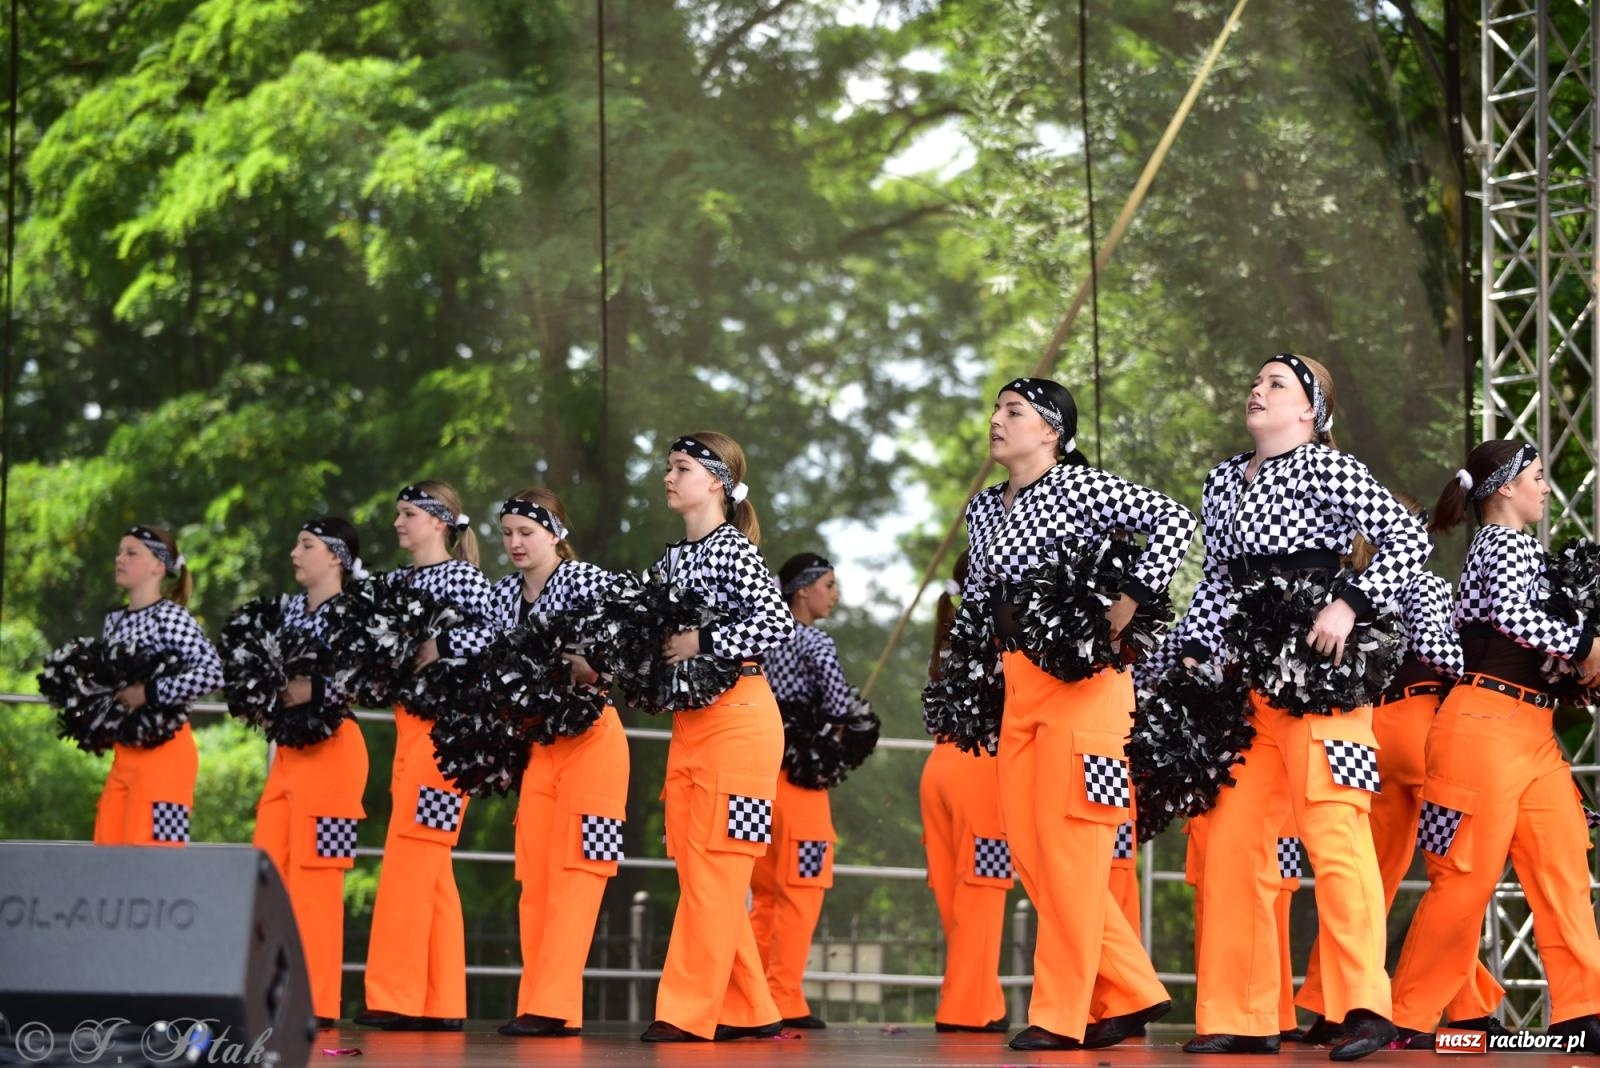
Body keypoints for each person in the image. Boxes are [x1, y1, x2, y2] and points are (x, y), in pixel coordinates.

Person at [1176, 354, 1427, 1060]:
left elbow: (1407, 537)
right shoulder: (1224, 479)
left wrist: (1350, 603)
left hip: (1322, 678)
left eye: (1275, 383)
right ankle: (1242, 1015)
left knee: (1336, 838)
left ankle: (1365, 1008)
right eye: (1253, 380)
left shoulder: (1329, 467)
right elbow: (1219, 584)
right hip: (1248, 686)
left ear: (1310, 411)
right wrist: (1192, 655)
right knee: (1229, 842)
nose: (1257, 388)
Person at [962, 377, 1196, 1051]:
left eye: (1014, 412)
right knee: (1030, 852)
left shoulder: (1082, 486)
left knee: (1070, 853)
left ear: (1052, 431)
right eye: (997, 410)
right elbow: (980, 599)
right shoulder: (984, 509)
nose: (997, 421)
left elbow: (1176, 521)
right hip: (1018, 685)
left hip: (1085, 687)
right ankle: (1132, 986)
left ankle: (1061, 1015)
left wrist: (1130, 599)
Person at [1389, 441, 1600, 1048]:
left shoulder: (1521, 548)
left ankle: (1581, 1010)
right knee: (1465, 879)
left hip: (1530, 733)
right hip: (1481, 726)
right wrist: (1584, 645)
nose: (1545, 487)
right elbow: (1510, 615)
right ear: (1504, 488)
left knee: (1562, 865)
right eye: (1537, 477)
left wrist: (1574, 663)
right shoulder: (1501, 544)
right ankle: (1407, 1016)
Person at [1296, 499, 1503, 1047]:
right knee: (1453, 875)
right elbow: (1441, 653)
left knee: (1366, 880)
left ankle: (1332, 1004)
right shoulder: (1421, 582)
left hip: (1363, 735)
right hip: (1423, 735)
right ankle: (1462, 1010)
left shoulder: (1341, 585)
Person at [639, 433, 795, 1043]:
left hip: (743, 722)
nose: (669, 478)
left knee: (716, 873)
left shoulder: (735, 551)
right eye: (668, 469)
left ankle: (684, 1010)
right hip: (693, 726)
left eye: (681, 468)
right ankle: (751, 1009)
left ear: (717, 482)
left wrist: (700, 642)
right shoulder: (670, 558)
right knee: (699, 868)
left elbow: (775, 623)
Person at [489, 490, 630, 1039]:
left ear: (554, 534)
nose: (515, 542)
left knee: (577, 877)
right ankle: (549, 1007)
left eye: (526, 531)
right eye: (507, 533)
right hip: (540, 747)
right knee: (536, 880)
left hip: (595, 742)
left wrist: (593, 668)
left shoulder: (590, 581)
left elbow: (631, 641)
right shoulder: (502, 595)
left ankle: (548, 1006)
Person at [357, 481, 494, 1033]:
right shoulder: (391, 583)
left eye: (409, 513)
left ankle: (396, 996)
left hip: (447, 738)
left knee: (414, 855)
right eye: (398, 513)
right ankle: (442, 1001)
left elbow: (492, 637)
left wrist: (441, 647)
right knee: (429, 865)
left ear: (440, 522)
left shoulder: (465, 578)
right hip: (405, 730)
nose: (399, 522)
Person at [251, 518, 371, 1027]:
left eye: (307, 545)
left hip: (337, 755)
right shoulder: (285, 613)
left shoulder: (360, 613)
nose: (294, 553)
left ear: (336, 556)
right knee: (265, 872)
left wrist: (317, 691)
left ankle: (318, 1002)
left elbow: (376, 676)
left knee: (319, 883)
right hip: (287, 756)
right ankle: (267, 993)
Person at [750, 552, 862, 1029]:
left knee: (763, 894)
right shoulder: (814, 641)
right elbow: (840, 705)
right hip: (801, 788)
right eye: (829, 585)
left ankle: (749, 995)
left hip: (757, 780)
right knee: (802, 891)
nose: (834, 596)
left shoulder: (760, 636)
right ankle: (785, 998)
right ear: (803, 589)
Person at [919, 552, 1012, 1034]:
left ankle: (982, 998)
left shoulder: (947, 635)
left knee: (955, 895)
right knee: (983, 890)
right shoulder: (995, 626)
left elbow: (930, 713)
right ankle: (965, 1008)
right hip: (981, 772)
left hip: (938, 767)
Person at [94, 525, 223, 847]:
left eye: (131, 552)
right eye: (119, 551)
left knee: (158, 863)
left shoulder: (172, 617)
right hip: (125, 753)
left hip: (166, 755)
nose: (119, 559)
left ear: (158, 565)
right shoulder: (114, 621)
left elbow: (214, 673)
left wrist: (150, 693)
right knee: (105, 852)